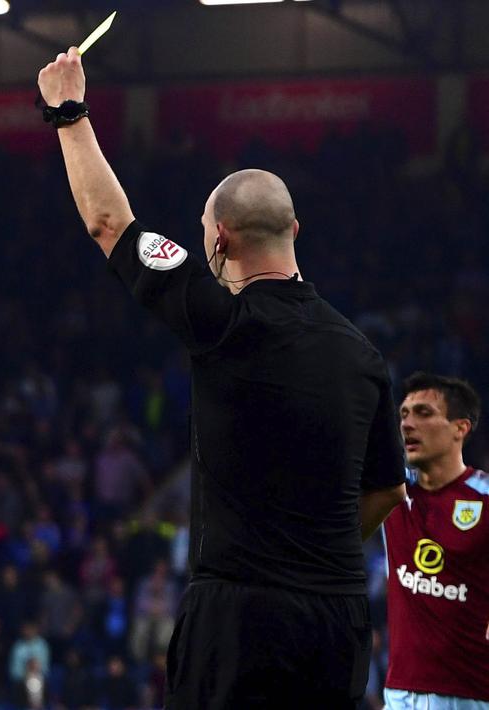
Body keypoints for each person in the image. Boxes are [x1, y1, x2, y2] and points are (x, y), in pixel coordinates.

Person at [36, 49, 406, 707]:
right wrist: (312, 546)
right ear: (293, 228)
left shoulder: (219, 318)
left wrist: (68, 112)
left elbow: (109, 224)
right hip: (336, 617)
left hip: (238, 618)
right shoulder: (362, 356)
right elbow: (384, 490)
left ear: (218, 242)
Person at [383, 373, 488, 708]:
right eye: (403, 414)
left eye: (424, 413)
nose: (408, 424)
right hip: (398, 694)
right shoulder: (392, 491)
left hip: (468, 697)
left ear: (460, 428)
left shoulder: (485, 499)